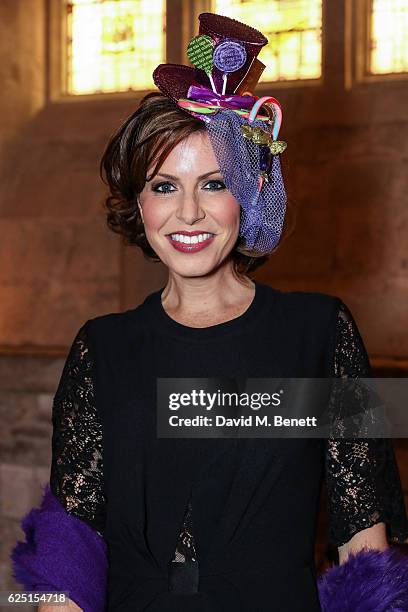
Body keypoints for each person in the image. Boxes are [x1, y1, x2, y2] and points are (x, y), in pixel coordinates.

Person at [11, 12, 408, 612]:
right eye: (164, 186)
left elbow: (363, 541)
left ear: (248, 197)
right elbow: (67, 546)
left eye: (215, 184)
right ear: (138, 204)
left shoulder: (318, 332)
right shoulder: (103, 346)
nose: (188, 213)